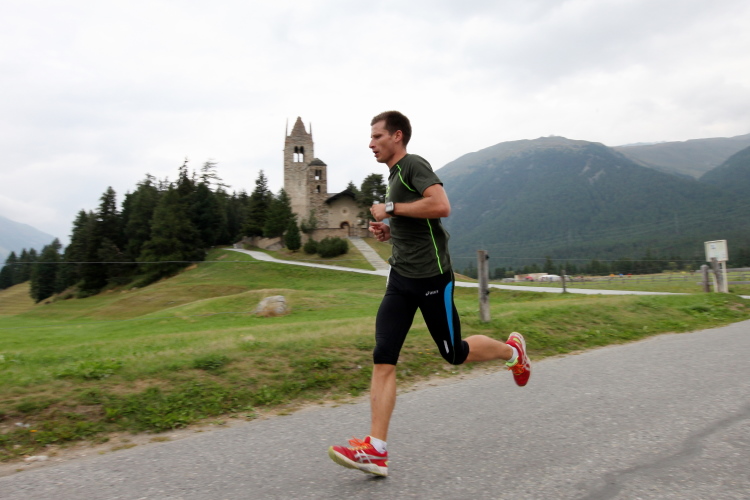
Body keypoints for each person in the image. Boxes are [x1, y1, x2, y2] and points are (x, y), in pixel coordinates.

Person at [327, 111, 531, 477]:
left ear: (397, 136)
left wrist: (390, 209)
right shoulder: (393, 176)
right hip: (400, 278)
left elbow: (441, 206)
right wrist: (391, 232)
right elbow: (417, 222)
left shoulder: (413, 165)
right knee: (383, 357)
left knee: (454, 354)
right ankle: (376, 450)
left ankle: (512, 351)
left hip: (432, 278)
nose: (371, 144)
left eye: (377, 136)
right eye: (370, 137)